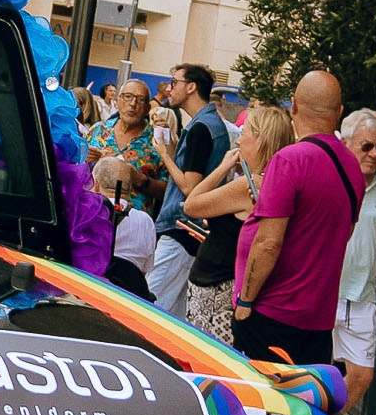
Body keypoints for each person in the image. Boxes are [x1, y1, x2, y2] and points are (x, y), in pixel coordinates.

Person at [226, 70, 357, 365]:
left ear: (294, 105)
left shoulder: (290, 160)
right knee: (299, 409)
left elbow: (268, 243)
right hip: (319, 319)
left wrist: (245, 302)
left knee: (261, 407)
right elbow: (342, 232)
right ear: (339, 112)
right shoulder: (351, 165)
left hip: (272, 314)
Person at [181, 106, 275, 345]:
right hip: (220, 280)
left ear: (260, 141)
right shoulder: (271, 180)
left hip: (216, 286)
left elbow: (191, 203)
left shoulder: (250, 183)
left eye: (245, 133)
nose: (239, 139)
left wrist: (223, 167)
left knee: (204, 358)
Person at [145, 63, 229, 318]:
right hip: (195, 232)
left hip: (181, 229)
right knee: (177, 316)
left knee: (148, 308)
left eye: (174, 83)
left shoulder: (201, 128)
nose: (169, 89)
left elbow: (190, 187)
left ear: (191, 87)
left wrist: (165, 156)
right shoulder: (210, 124)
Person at [334, 107, 376, 415]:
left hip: (361, 296)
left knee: (363, 375)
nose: (375, 154)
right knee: (314, 373)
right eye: (367, 146)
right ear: (346, 143)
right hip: (323, 293)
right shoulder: (330, 172)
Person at [86, 78, 167, 200]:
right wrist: (84, 161)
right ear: (118, 101)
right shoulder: (98, 130)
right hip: (92, 212)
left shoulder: (156, 140)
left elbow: (167, 191)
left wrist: (142, 181)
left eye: (140, 99)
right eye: (128, 97)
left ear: (147, 108)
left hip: (133, 216)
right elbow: (73, 171)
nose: (133, 104)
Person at [92, 154, 156, 299]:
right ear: (130, 187)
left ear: (95, 184)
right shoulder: (145, 221)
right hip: (130, 298)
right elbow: (144, 270)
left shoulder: (84, 214)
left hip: (91, 295)